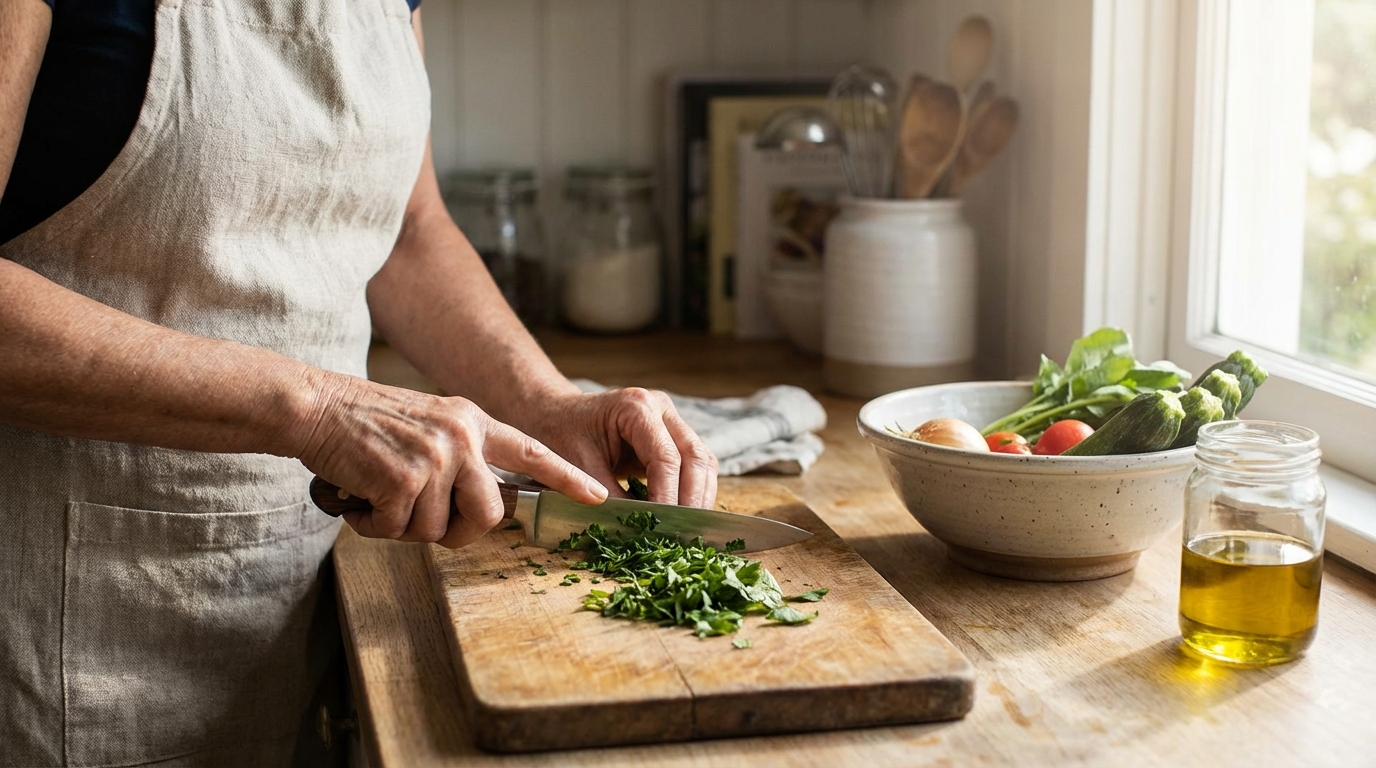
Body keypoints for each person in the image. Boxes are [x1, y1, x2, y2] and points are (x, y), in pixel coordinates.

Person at [0, 0, 718, 764]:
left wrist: (546, 403)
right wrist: (322, 409)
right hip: (90, 605)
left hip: (327, 579)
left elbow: (410, 233)